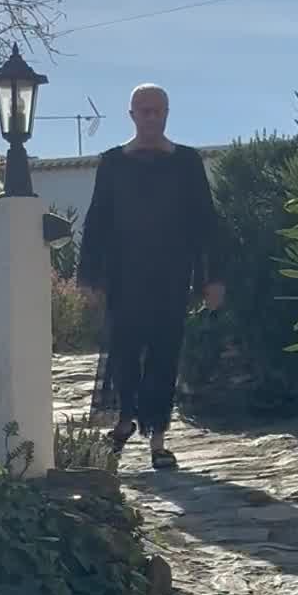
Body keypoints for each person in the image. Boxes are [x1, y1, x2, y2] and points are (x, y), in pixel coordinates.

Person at [77, 83, 225, 470]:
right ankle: (124, 422)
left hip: (172, 277)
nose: (151, 117)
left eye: (158, 110)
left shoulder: (187, 162)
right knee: (123, 353)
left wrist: (212, 278)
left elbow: (206, 224)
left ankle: (158, 439)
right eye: (144, 110)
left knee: (164, 356)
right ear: (131, 115)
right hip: (123, 276)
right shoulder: (112, 162)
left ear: (167, 114)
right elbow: (96, 222)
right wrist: (89, 277)